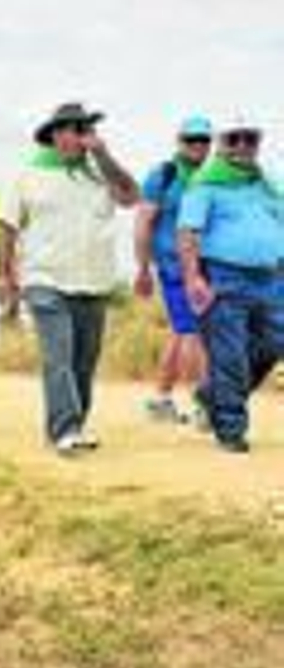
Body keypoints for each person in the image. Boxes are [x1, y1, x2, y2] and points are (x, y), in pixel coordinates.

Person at [0, 103, 140, 455]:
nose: (80, 136)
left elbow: (131, 196)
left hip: (93, 281)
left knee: (83, 362)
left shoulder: (99, 174)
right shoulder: (28, 175)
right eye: (73, 129)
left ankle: (74, 426)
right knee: (58, 357)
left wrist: (103, 155)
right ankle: (64, 429)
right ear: (56, 135)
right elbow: (6, 227)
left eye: (85, 129)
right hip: (45, 280)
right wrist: (4, 275)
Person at [177, 119, 284, 454]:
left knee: (274, 343)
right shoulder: (204, 184)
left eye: (249, 139)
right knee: (230, 356)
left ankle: (210, 395)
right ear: (221, 144)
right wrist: (193, 278)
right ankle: (230, 430)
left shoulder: (267, 184)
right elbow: (188, 232)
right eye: (233, 139)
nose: (242, 146)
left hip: (270, 278)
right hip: (224, 278)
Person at [135, 115, 213, 424]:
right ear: (179, 142)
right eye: (191, 139)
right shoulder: (164, 175)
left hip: (206, 267)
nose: (198, 145)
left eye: (203, 140)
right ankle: (204, 406)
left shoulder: (212, 176)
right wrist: (143, 268)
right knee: (194, 333)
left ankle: (161, 399)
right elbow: (143, 223)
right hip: (174, 266)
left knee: (181, 331)